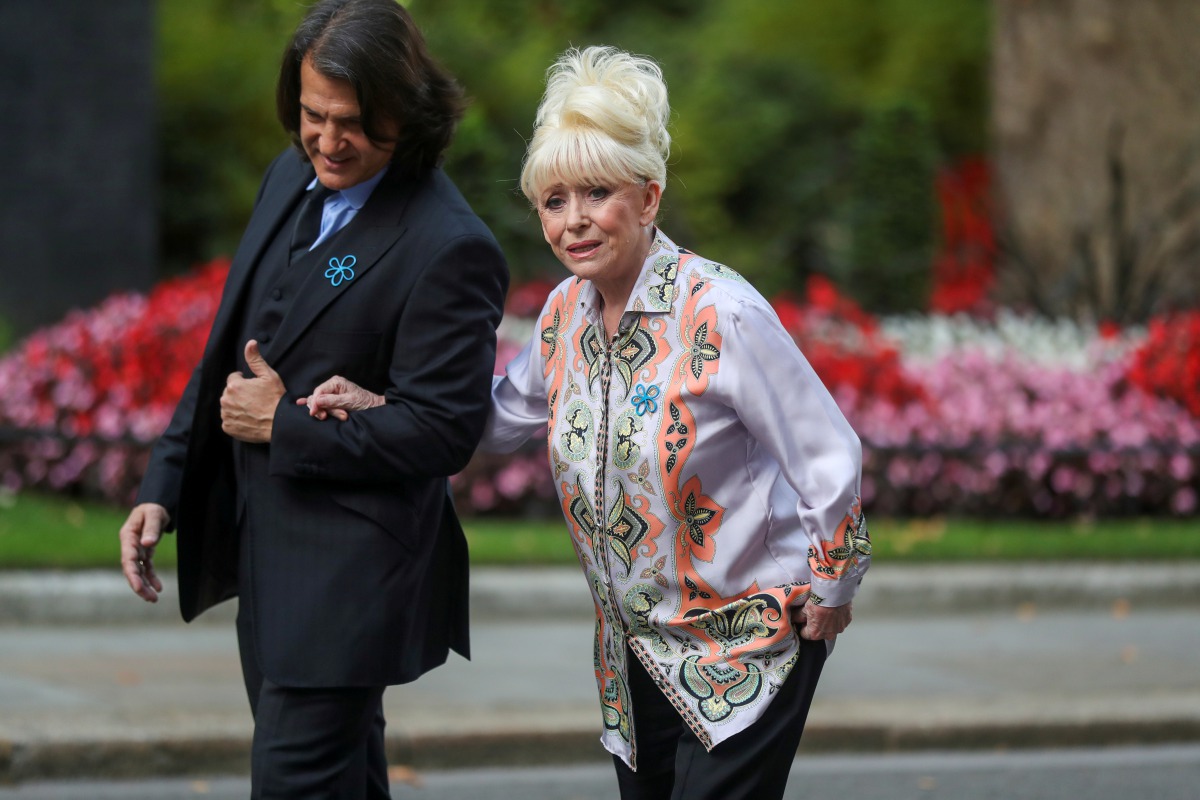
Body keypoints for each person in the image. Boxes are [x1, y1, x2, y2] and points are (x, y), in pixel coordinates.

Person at [303, 45, 869, 800]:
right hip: (631, 655)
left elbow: (826, 452)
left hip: (750, 644)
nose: (574, 221)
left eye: (596, 193)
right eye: (554, 200)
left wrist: (830, 589)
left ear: (649, 198)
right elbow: (500, 419)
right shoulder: (564, 314)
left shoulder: (722, 313)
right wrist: (387, 410)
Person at [117, 1, 508, 796]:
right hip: (266, 556)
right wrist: (164, 485)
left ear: (407, 110)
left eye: (353, 123)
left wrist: (284, 426)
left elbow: (444, 432)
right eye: (311, 115)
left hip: (349, 586)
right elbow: (233, 347)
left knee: (294, 782)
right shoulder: (289, 175)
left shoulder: (450, 246)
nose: (326, 142)